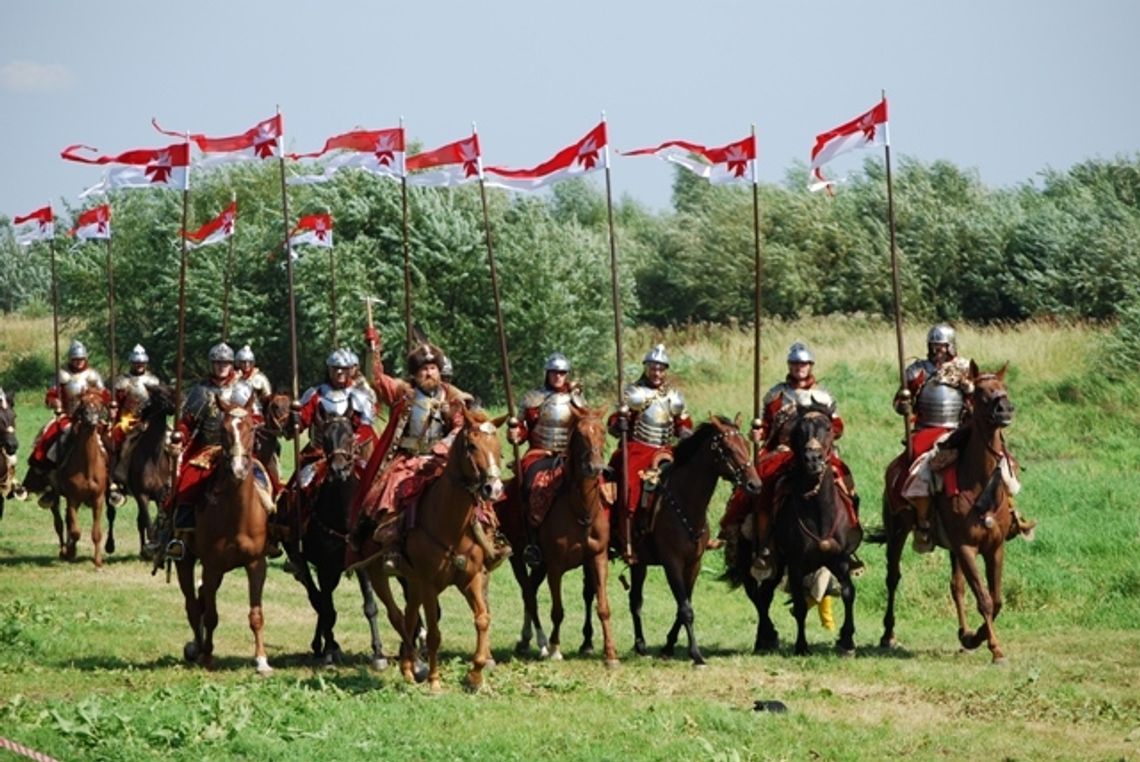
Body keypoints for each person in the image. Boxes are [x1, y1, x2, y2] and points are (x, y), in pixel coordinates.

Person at [718, 342, 860, 579]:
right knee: (762, 490)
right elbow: (765, 426)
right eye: (795, 364)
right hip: (781, 452)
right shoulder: (776, 395)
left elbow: (837, 425)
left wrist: (826, 437)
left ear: (810, 366)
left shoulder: (823, 397)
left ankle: (847, 541)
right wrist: (758, 434)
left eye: (803, 364)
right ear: (789, 366)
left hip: (818, 451)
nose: (799, 368)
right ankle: (764, 544)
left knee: (846, 486)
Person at [894, 323, 1035, 551]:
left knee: (1002, 460)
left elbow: (976, 400)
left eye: (942, 345)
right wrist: (903, 404)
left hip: (959, 428)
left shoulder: (963, 369)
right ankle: (923, 523)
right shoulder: (917, 371)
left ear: (951, 346)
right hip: (926, 430)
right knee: (921, 470)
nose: (938, 350)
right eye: (934, 345)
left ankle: (1010, 513)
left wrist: (969, 391)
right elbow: (900, 402)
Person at [347, 328, 472, 570]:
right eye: (423, 369)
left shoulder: (452, 397)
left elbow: (460, 427)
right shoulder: (404, 393)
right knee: (388, 492)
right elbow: (376, 378)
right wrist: (373, 350)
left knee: (474, 490)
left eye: (433, 368)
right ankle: (392, 546)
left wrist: (445, 446)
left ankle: (485, 538)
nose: (429, 372)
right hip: (408, 459)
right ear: (415, 374)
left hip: (441, 461)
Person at [153, 343, 266, 564]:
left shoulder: (243, 389)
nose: (221, 367)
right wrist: (179, 437)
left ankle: (273, 531)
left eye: (225, 363)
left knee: (266, 482)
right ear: (212, 364)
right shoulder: (200, 392)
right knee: (186, 484)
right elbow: (187, 423)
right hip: (206, 449)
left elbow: (257, 419)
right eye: (217, 363)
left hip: (240, 449)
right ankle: (180, 535)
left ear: (231, 364)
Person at [606, 343, 692, 565]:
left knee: (692, 480)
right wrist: (620, 423)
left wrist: (685, 431)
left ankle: (695, 532)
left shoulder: (674, 396)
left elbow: (683, 421)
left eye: (661, 368)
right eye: (653, 368)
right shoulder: (634, 393)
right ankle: (625, 535)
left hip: (666, 449)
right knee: (631, 486)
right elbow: (614, 422)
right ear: (646, 368)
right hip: (638, 448)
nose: (657, 373)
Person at [507, 352, 586, 566]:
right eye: (554, 373)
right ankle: (531, 538)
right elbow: (524, 429)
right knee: (530, 484)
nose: (558, 376)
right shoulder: (535, 399)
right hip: (539, 453)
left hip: (568, 456)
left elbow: (585, 428)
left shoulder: (576, 400)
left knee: (594, 485)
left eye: (562, 373)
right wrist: (516, 434)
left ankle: (598, 536)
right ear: (548, 374)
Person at [24, 339, 111, 508]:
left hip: (91, 417)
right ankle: (46, 477)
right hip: (67, 417)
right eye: (75, 359)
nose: (78, 362)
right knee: (48, 438)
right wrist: (54, 402)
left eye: (81, 359)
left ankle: (113, 479)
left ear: (85, 359)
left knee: (109, 442)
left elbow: (105, 395)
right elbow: (50, 395)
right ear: (71, 359)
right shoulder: (62, 375)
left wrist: (107, 404)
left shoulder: (93, 375)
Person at [109, 344, 161, 504]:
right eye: (136, 363)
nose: (139, 366)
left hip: (149, 420)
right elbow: (114, 401)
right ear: (131, 363)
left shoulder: (153, 381)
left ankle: (169, 478)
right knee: (117, 441)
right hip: (127, 420)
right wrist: (112, 408)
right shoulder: (122, 381)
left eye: (142, 363)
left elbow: (159, 402)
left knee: (168, 441)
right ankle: (117, 478)